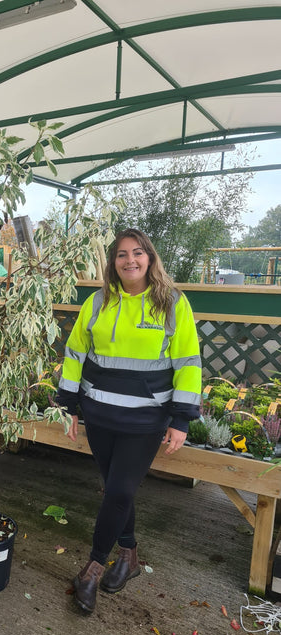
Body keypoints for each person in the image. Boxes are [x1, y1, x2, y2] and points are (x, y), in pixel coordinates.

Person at [56, 228, 202, 613]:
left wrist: (182, 419)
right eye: (122, 254)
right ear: (113, 262)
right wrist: (70, 404)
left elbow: (188, 362)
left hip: (145, 419)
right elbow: (75, 353)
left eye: (138, 253)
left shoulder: (172, 303)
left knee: (119, 491)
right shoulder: (98, 301)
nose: (130, 260)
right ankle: (129, 554)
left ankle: (91, 568)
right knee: (116, 489)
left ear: (150, 258)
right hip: (99, 413)